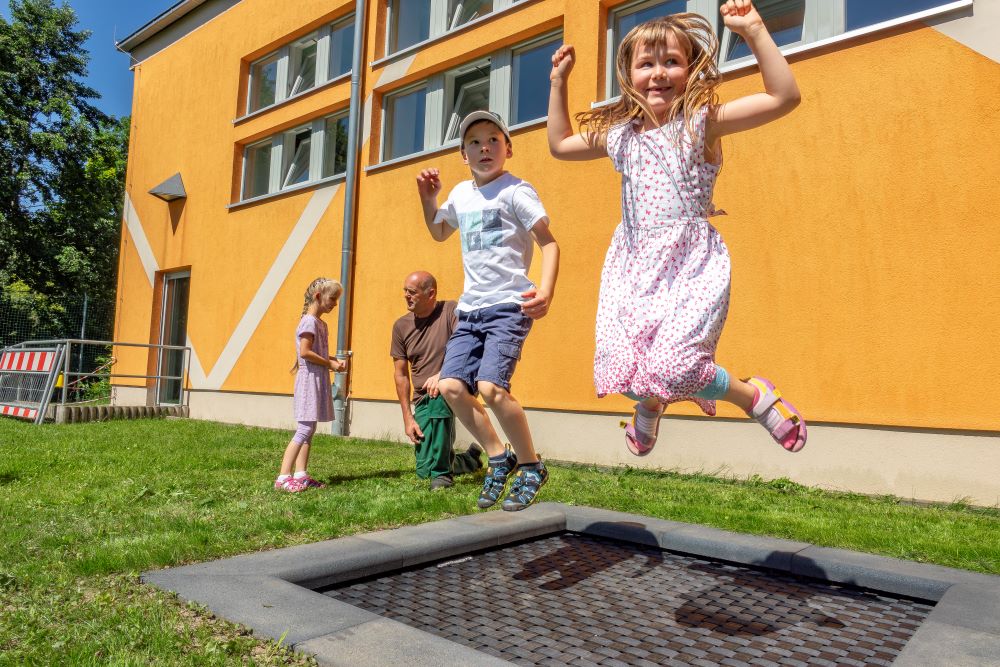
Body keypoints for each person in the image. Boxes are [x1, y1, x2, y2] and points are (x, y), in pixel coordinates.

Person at [547, 0, 807, 456]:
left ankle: (755, 397)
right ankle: (649, 406)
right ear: (629, 75)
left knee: (677, 366)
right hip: (632, 264)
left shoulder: (701, 124)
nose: (659, 73)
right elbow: (561, 145)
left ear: (689, 70)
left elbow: (783, 97)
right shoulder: (622, 136)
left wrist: (754, 31)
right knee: (620, 366)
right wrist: (557, 83)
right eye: (646, 64)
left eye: (671, 62)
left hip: (688, 263)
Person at [415, 110, 560, 511]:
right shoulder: (461, 194)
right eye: (475, 142)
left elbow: (549, 243)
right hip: (471, 310)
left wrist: (545, 291)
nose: (484, 148)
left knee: (492, 389)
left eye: (493, 140)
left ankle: (531, 466)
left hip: (509, 306)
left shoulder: (517, 191)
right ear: (464, 155)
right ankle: (499, 457)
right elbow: (439, 231)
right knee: (450, 387)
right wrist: (428, 198)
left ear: (508, 149)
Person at [391, 270, 485, 490]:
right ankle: (470, 460)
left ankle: (442, 476)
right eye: (405, 291)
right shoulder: (401, 326)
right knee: (424, 469)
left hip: (455, 383)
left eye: (412, 292)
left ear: (431, 293)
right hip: (422, 396)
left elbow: (466, 346)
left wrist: (443, 373)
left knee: (439, 394)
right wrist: (407, 417)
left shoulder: (450, 311)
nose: (406, 295)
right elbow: (401, 375)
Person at [274, 277, 348, 492]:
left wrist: (331, 360)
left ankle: (301, 474)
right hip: (309, 380)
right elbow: (305, 352)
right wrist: (330, 364)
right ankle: (283, 476)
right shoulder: (309, 322)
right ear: (318, 296)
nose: (335, 303)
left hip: (317, 377)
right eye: (333, 298)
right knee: (305, 427)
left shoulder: (319, 323)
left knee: (310, 427)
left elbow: (317, 352)